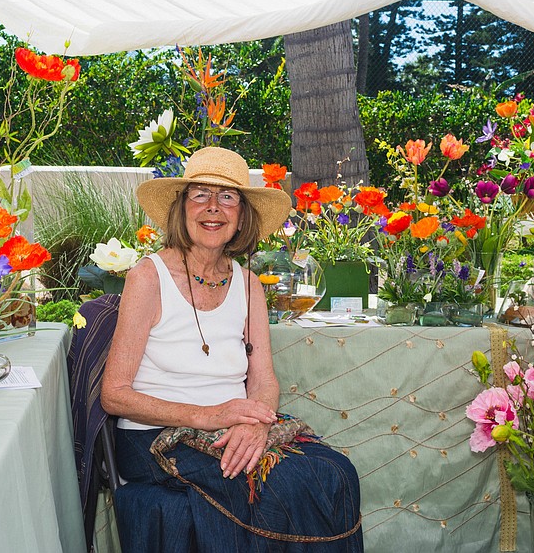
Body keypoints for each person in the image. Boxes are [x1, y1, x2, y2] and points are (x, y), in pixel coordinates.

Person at [101, 147, 363, 552]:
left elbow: (263, 380)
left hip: (229, 430)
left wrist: (255, 426)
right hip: (156, 437)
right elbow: (114, 395)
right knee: (281, 484)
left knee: (335, 472)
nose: (213, 208)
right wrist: (209, 416)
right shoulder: (148, 277)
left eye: (227, 197)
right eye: (200, 194)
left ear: (241, 215)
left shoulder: (248, 284)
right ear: (180, 207)